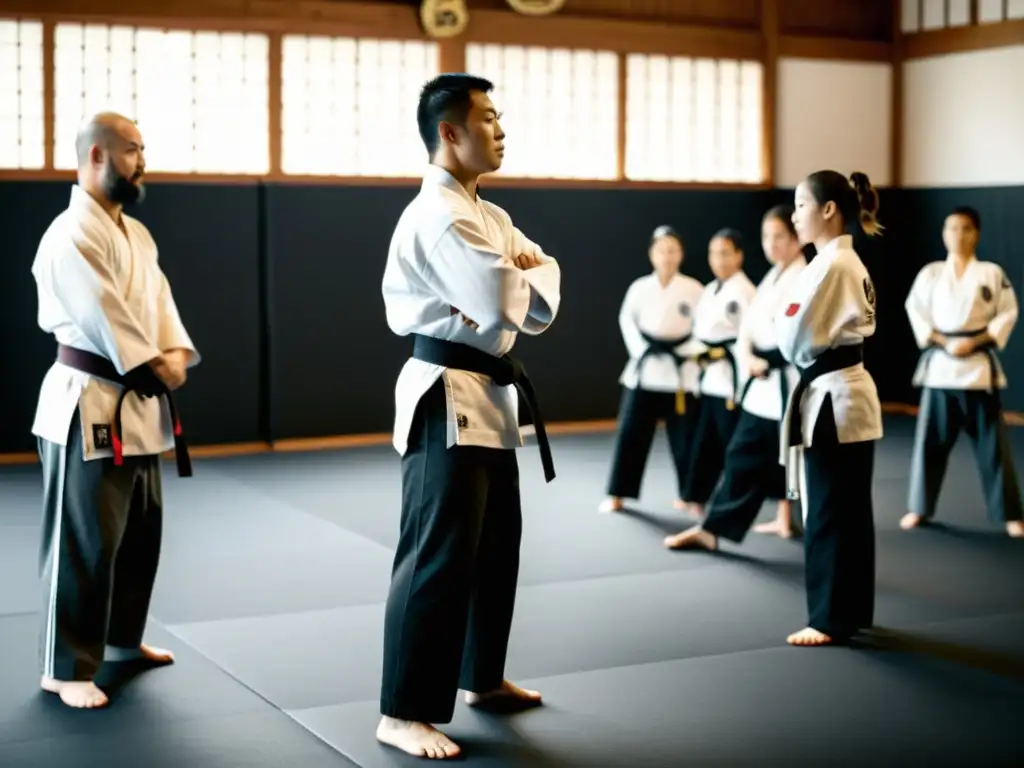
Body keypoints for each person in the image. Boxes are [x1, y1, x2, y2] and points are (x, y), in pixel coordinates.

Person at [377, 73, 561, 760]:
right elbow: (505, 295)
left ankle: (479, 677)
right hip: (445, 396)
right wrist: (517, 277)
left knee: (494, 548)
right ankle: (401, 710)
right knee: (435, 555)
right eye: (487, 117)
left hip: (490, 395)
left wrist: (521, 276)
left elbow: (539, 298)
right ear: (449, 133)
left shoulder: (491, 215)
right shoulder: (438, 215)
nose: (501, 128)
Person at [30, 112, 199, 709]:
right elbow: (109, 320)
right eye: (132, 150)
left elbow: (161, 308)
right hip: (88, 401)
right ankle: (65, 666)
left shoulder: (137, 235)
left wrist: (174, 354)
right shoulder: (69, 234)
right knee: (85, 539)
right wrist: (159, 364)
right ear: (98, 156)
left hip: (138, 402)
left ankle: (121, 642)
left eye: (143, 149)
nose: (142, 160)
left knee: (137, 536)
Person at [775, 170, 883, 647]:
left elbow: (792, 339)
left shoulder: (831, 267)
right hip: (844, 393)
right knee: (850, 511)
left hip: (834, 399)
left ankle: (829, 618)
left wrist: (782, 317)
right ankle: (851, 610)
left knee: (830, 513)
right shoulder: (839, 262)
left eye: (800, 205)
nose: (795, 215)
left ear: (828, 210)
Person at [664, 205, 806, 551]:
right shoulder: (773, 277)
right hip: (759, 382)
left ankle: (791, 519)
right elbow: (750, 330)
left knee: (789, 460)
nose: (772, 244)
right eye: (767, 236)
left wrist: (760, 358)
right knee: (746, 455)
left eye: (780, 236)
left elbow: (796, 334)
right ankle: (714, 529)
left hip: (784, 381)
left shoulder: (802, 278)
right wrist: (746, 355)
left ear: (797, 238)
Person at [902, 207, 1024, 538]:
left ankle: (1010, 514)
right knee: (929, 445)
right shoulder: (930, 273)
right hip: (940, 368)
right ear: (943, 233)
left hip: (978, 371)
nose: (958, 234)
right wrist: (943, 341)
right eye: (952, 228)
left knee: (994, 449)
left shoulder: (991, 273)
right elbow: (916, 311)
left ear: (977, 234)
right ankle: (919, 508)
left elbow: (1007, 312)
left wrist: (977, 341)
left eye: (966, 228)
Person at [599, 225, 704, 514]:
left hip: (680, 375)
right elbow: (626, 321)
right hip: (644, 371)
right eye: (661, 250)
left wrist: (683, 351)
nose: (667, 256)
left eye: (672, 250)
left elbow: (704, 328)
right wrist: (643, 349)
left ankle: (691, 497)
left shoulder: (694, 289)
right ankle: (618, 493)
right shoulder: (639, 288)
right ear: (652, 254)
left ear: (680, 254)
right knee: (630, 436)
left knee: (686, 441)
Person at [682, 229, 756, 518]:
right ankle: (696, 497)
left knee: (733, 447)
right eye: (714, 253)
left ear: (739, 255)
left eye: (725, 253)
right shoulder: (711, 289)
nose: (719, 259)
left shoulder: (745, 291)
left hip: (732, 380)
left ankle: (736, 503)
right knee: (705, 443)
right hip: (710, 377)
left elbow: (750, 337)